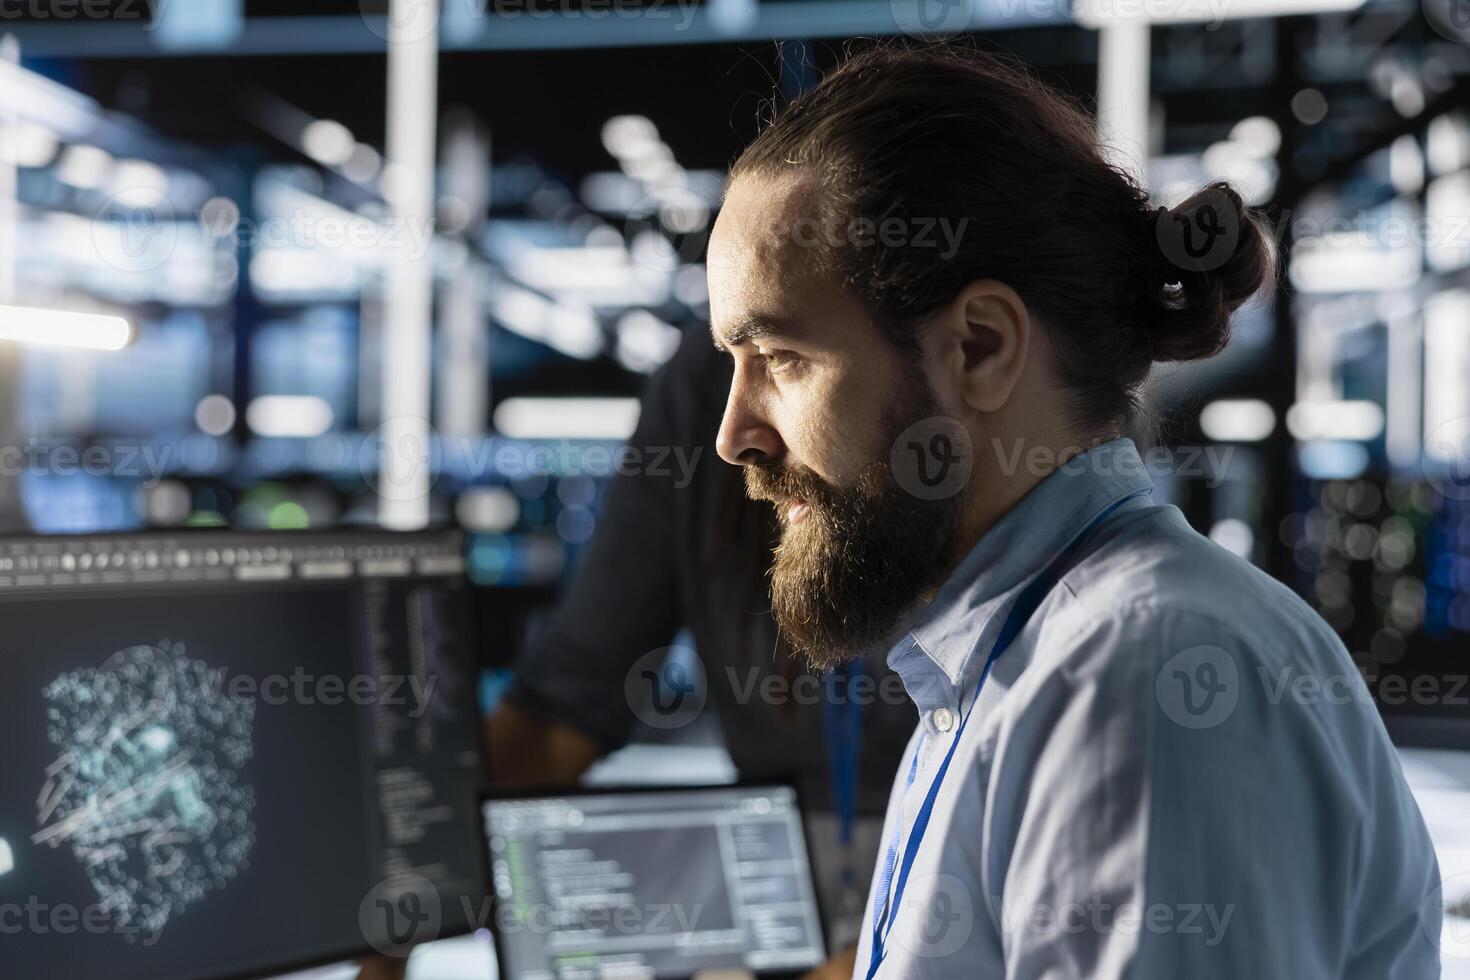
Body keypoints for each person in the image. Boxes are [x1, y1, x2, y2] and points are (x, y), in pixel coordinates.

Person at [705, 42, 1442, 979]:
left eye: (780, 358)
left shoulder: (1135, 675)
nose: (734, 436)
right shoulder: (1013, 657)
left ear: (980, 348)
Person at [488, 322, 920, 976]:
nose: (731, 439)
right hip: (775, 892)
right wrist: (420, 851)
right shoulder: (702, 381)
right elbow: (568, 698)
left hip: (946, 879)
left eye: (782, 359)